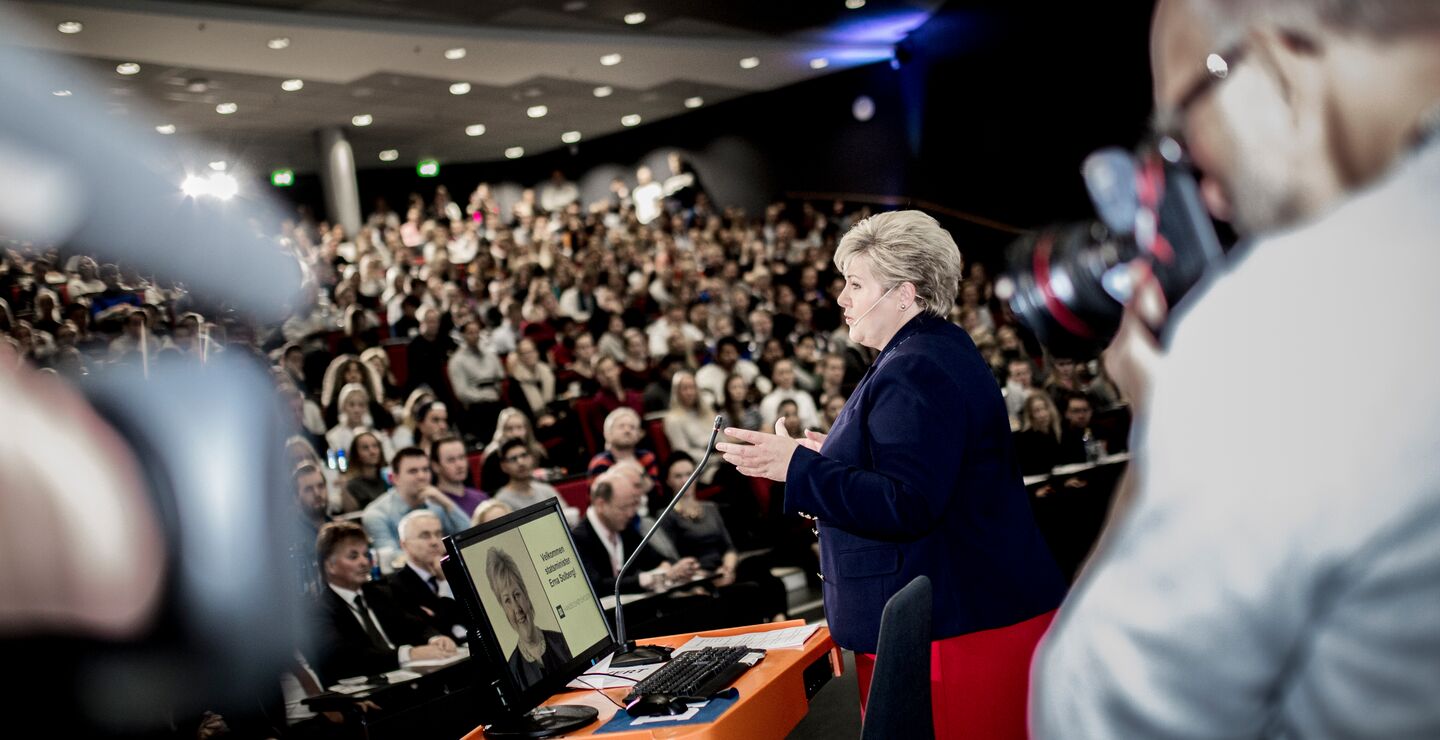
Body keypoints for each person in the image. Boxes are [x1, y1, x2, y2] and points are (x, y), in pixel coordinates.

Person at [1032, 1, 1440, 736]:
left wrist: (1163, 436)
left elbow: (1090, 720)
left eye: (1181, 130)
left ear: (1274, 64)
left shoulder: (1287, 321)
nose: (1208, 191)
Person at [717, 210, 1065, 738]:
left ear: (904, 293)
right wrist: (826, 456)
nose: (841, 299)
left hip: (951, 624)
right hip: (955, 613)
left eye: (855, 284)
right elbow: (920, 466)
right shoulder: (930, 349)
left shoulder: (915, 366)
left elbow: (909, 502)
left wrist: (797, 467)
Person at [305, 521, 457, 685]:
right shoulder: (318, 610)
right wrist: (408, 654)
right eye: (353, 556)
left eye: (366, 554)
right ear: (330, 565)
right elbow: (343, 658)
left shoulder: (379, 593)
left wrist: (435, 638)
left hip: (406, 681)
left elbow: (414, 624)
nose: (364, 562)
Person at [484, 546, 572, 690]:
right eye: (507, 601)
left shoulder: (561, 641)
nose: (517, 609)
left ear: (526, 595)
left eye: (517, 595)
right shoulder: (512, 669)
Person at [361, 447, 471, 556]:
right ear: (395, 478)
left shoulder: (436, 503)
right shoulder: (376, 514)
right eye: (413, 471)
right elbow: (390, 559)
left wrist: (447, 503)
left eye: (425, 469)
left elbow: (468, 539)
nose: (422, 476)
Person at [385, 510, 469, 643]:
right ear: (404, 544)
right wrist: (443, 583)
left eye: (438, 534)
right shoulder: (395, 587)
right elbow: (438, 631)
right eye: (425, 536)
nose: (435, 542)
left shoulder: (460, 572)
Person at [430, 435, 487, 517]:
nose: (459, 465)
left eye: (462, 457)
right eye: (451, 460)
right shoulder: (434, 504)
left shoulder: (481, 497)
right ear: (435, 466)